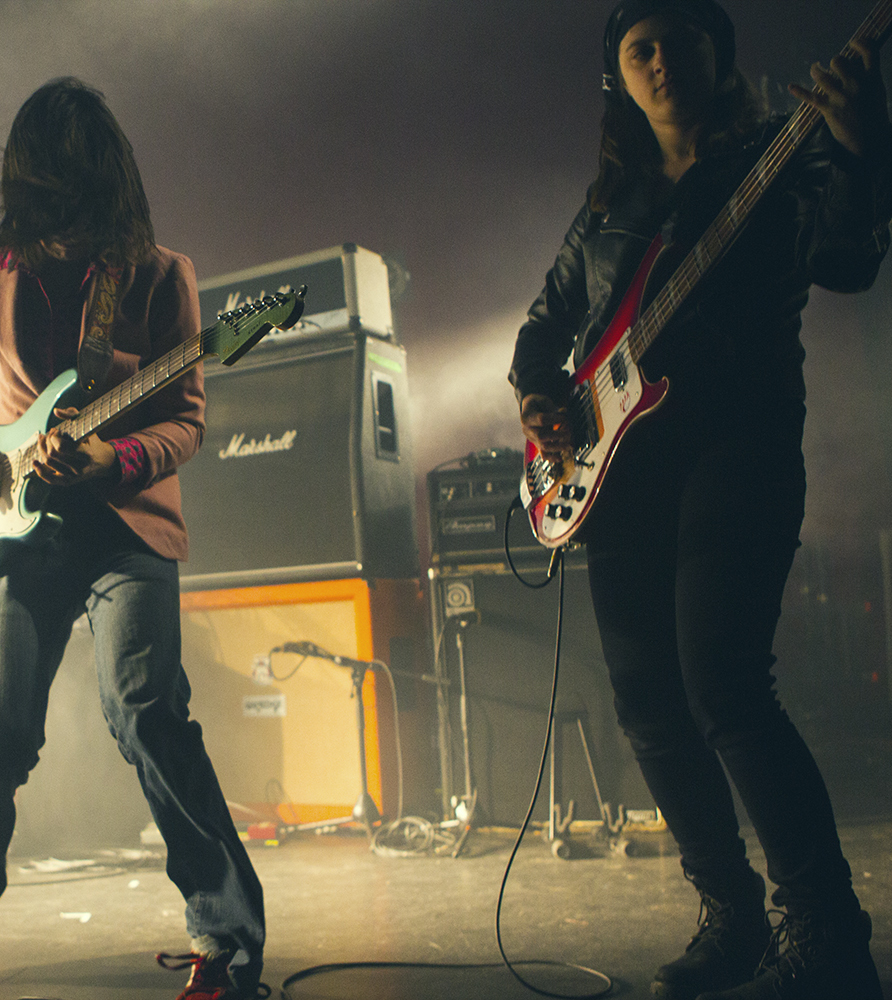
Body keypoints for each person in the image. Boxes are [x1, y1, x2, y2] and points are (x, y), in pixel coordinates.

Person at [510, 2, 890, 998]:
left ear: (718, 54)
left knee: (723, 681)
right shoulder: (609, 204)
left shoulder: (779, 152)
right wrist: (542, 398)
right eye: (640, 48)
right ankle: (731, 916)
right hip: (621, 469)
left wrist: (860, 146)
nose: (662, 61)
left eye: (681, 40)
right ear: (619, 77)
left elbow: (848, 261)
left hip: (740, 443)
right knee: (645, 699)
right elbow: (543, 325)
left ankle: (826, 930)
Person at [0, 77, 267, 1000]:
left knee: (147, 712)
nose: (63, 225)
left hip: (126, 525)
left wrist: (114, 457)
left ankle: (226, 939)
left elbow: (186, 419)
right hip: (12, 529)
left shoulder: (158, 275)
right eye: (47, 199)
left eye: (77, 200)